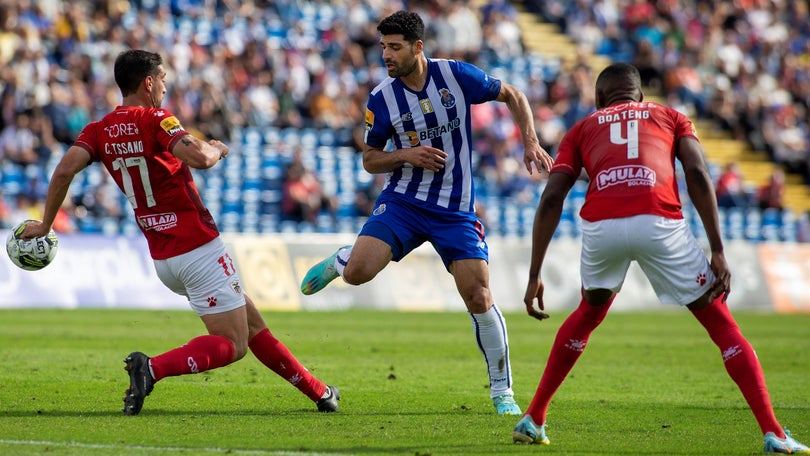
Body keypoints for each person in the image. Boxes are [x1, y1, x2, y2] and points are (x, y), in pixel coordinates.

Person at [21, 50, 340, 416]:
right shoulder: (156, 118)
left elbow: (63, 171)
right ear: (149, 82)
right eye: (164, 80)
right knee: (233, 343)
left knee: (251, 323)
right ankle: (152, 368)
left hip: (162, 257)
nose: (165, 88)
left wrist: (45, 223)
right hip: (197, 247)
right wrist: (217, 149)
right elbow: (200, 159)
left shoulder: (98, 130)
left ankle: (320, 393)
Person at [512, 63, 809, 454]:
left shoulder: (582, 128)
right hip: (658, 220)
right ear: (640, 97)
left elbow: (552, 198)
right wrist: (717, 249)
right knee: (721, 324)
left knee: (588, 313)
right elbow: (699, 174)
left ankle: (534, 417)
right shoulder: (670, 116)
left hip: (603, 227)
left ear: (600, 99)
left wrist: (534, 273)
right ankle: (773, 432)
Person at [299, 10, 554, 415]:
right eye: (383, 46)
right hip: (404, 202)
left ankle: (502, 391)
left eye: (394, 47)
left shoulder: (456, 76)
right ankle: (342, 260)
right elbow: (370, 159)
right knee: (358, 274)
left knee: (479, 295)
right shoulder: (381, 98)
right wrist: (406, 154)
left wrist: (529, 141)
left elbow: (514, 95)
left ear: (418, 47)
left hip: (455, 210)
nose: (386, 54)